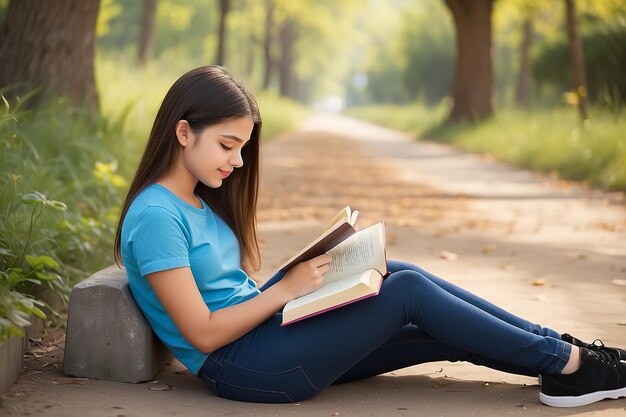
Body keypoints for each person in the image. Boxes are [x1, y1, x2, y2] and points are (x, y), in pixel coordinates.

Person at [113, 65, 626, 408]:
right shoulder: (157, 216)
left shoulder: (194, 202)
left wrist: (310, 283)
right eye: (228, 146)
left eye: (242, 147)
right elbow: (201, 334)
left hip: (265, 337)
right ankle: (573, 365)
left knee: (396, 277)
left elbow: (229, 294)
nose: (238, 162)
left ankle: (563, 352)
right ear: (184, 133)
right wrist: (287, 290)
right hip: (243, 367)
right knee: (406, 294)